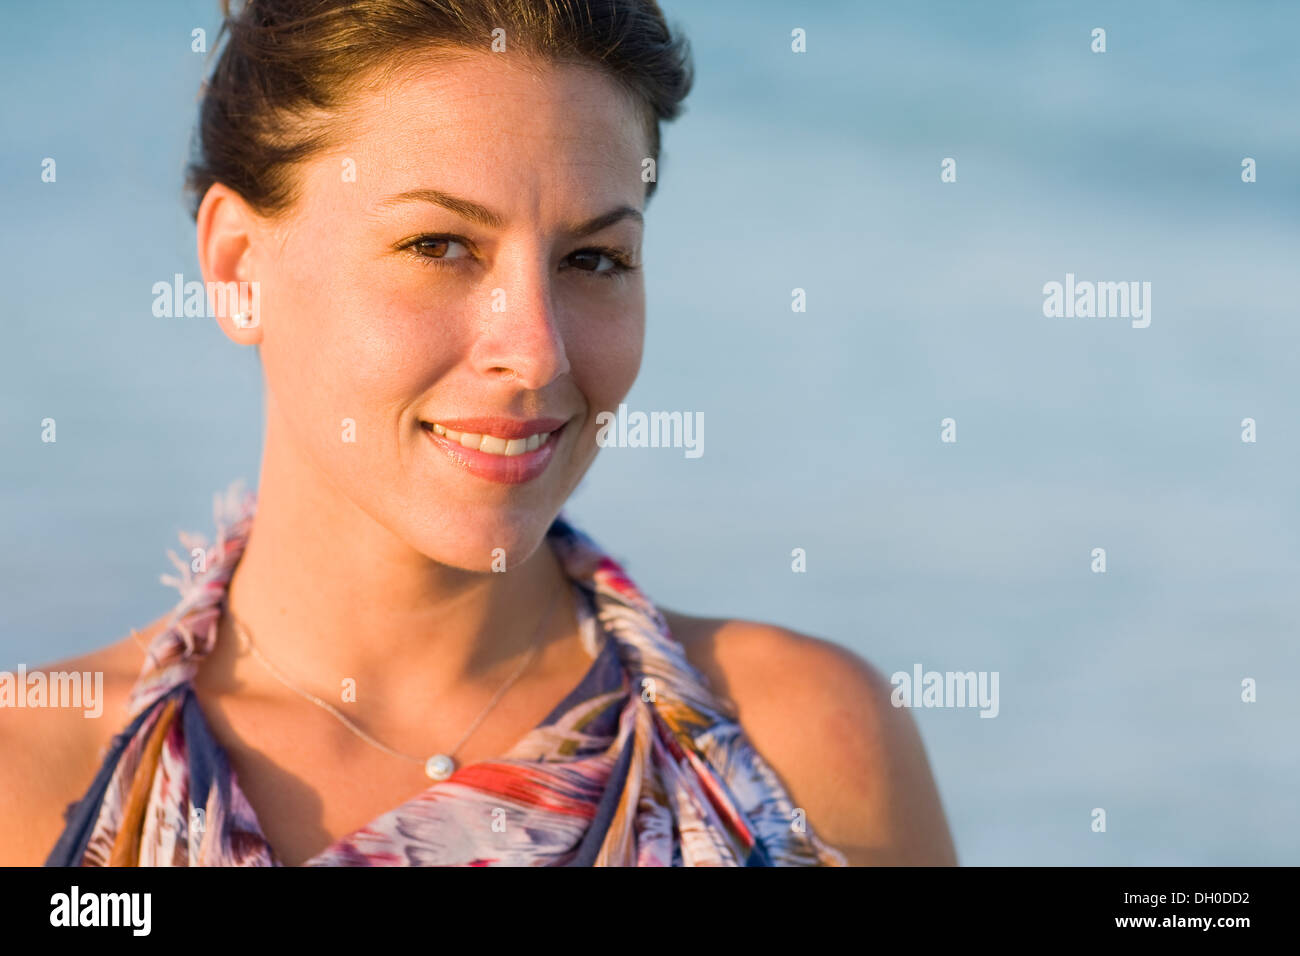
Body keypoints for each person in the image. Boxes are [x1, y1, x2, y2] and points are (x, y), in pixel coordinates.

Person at [0, 0, 957, 866]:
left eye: (594, 258)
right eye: (439, 246)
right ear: (239, 265)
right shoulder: (34, 785)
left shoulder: (805, 753)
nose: (535, 352)